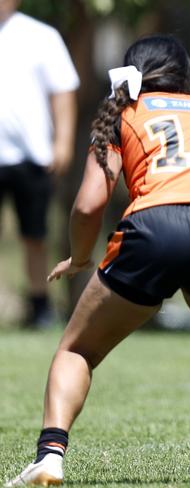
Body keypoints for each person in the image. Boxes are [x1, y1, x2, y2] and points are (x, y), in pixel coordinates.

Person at [5, 34, 190, 485]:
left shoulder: (122, 113)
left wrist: (80, 257)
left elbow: (86, 206)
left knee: (77, 348)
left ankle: (50, 458)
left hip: (155, 227)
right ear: (185, 75)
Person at [0, 0, 79, 328]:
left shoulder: (41, 36)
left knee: (35, 235)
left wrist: (63, 141)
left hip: (32, 156)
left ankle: (40, 307)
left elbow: (63, 92)